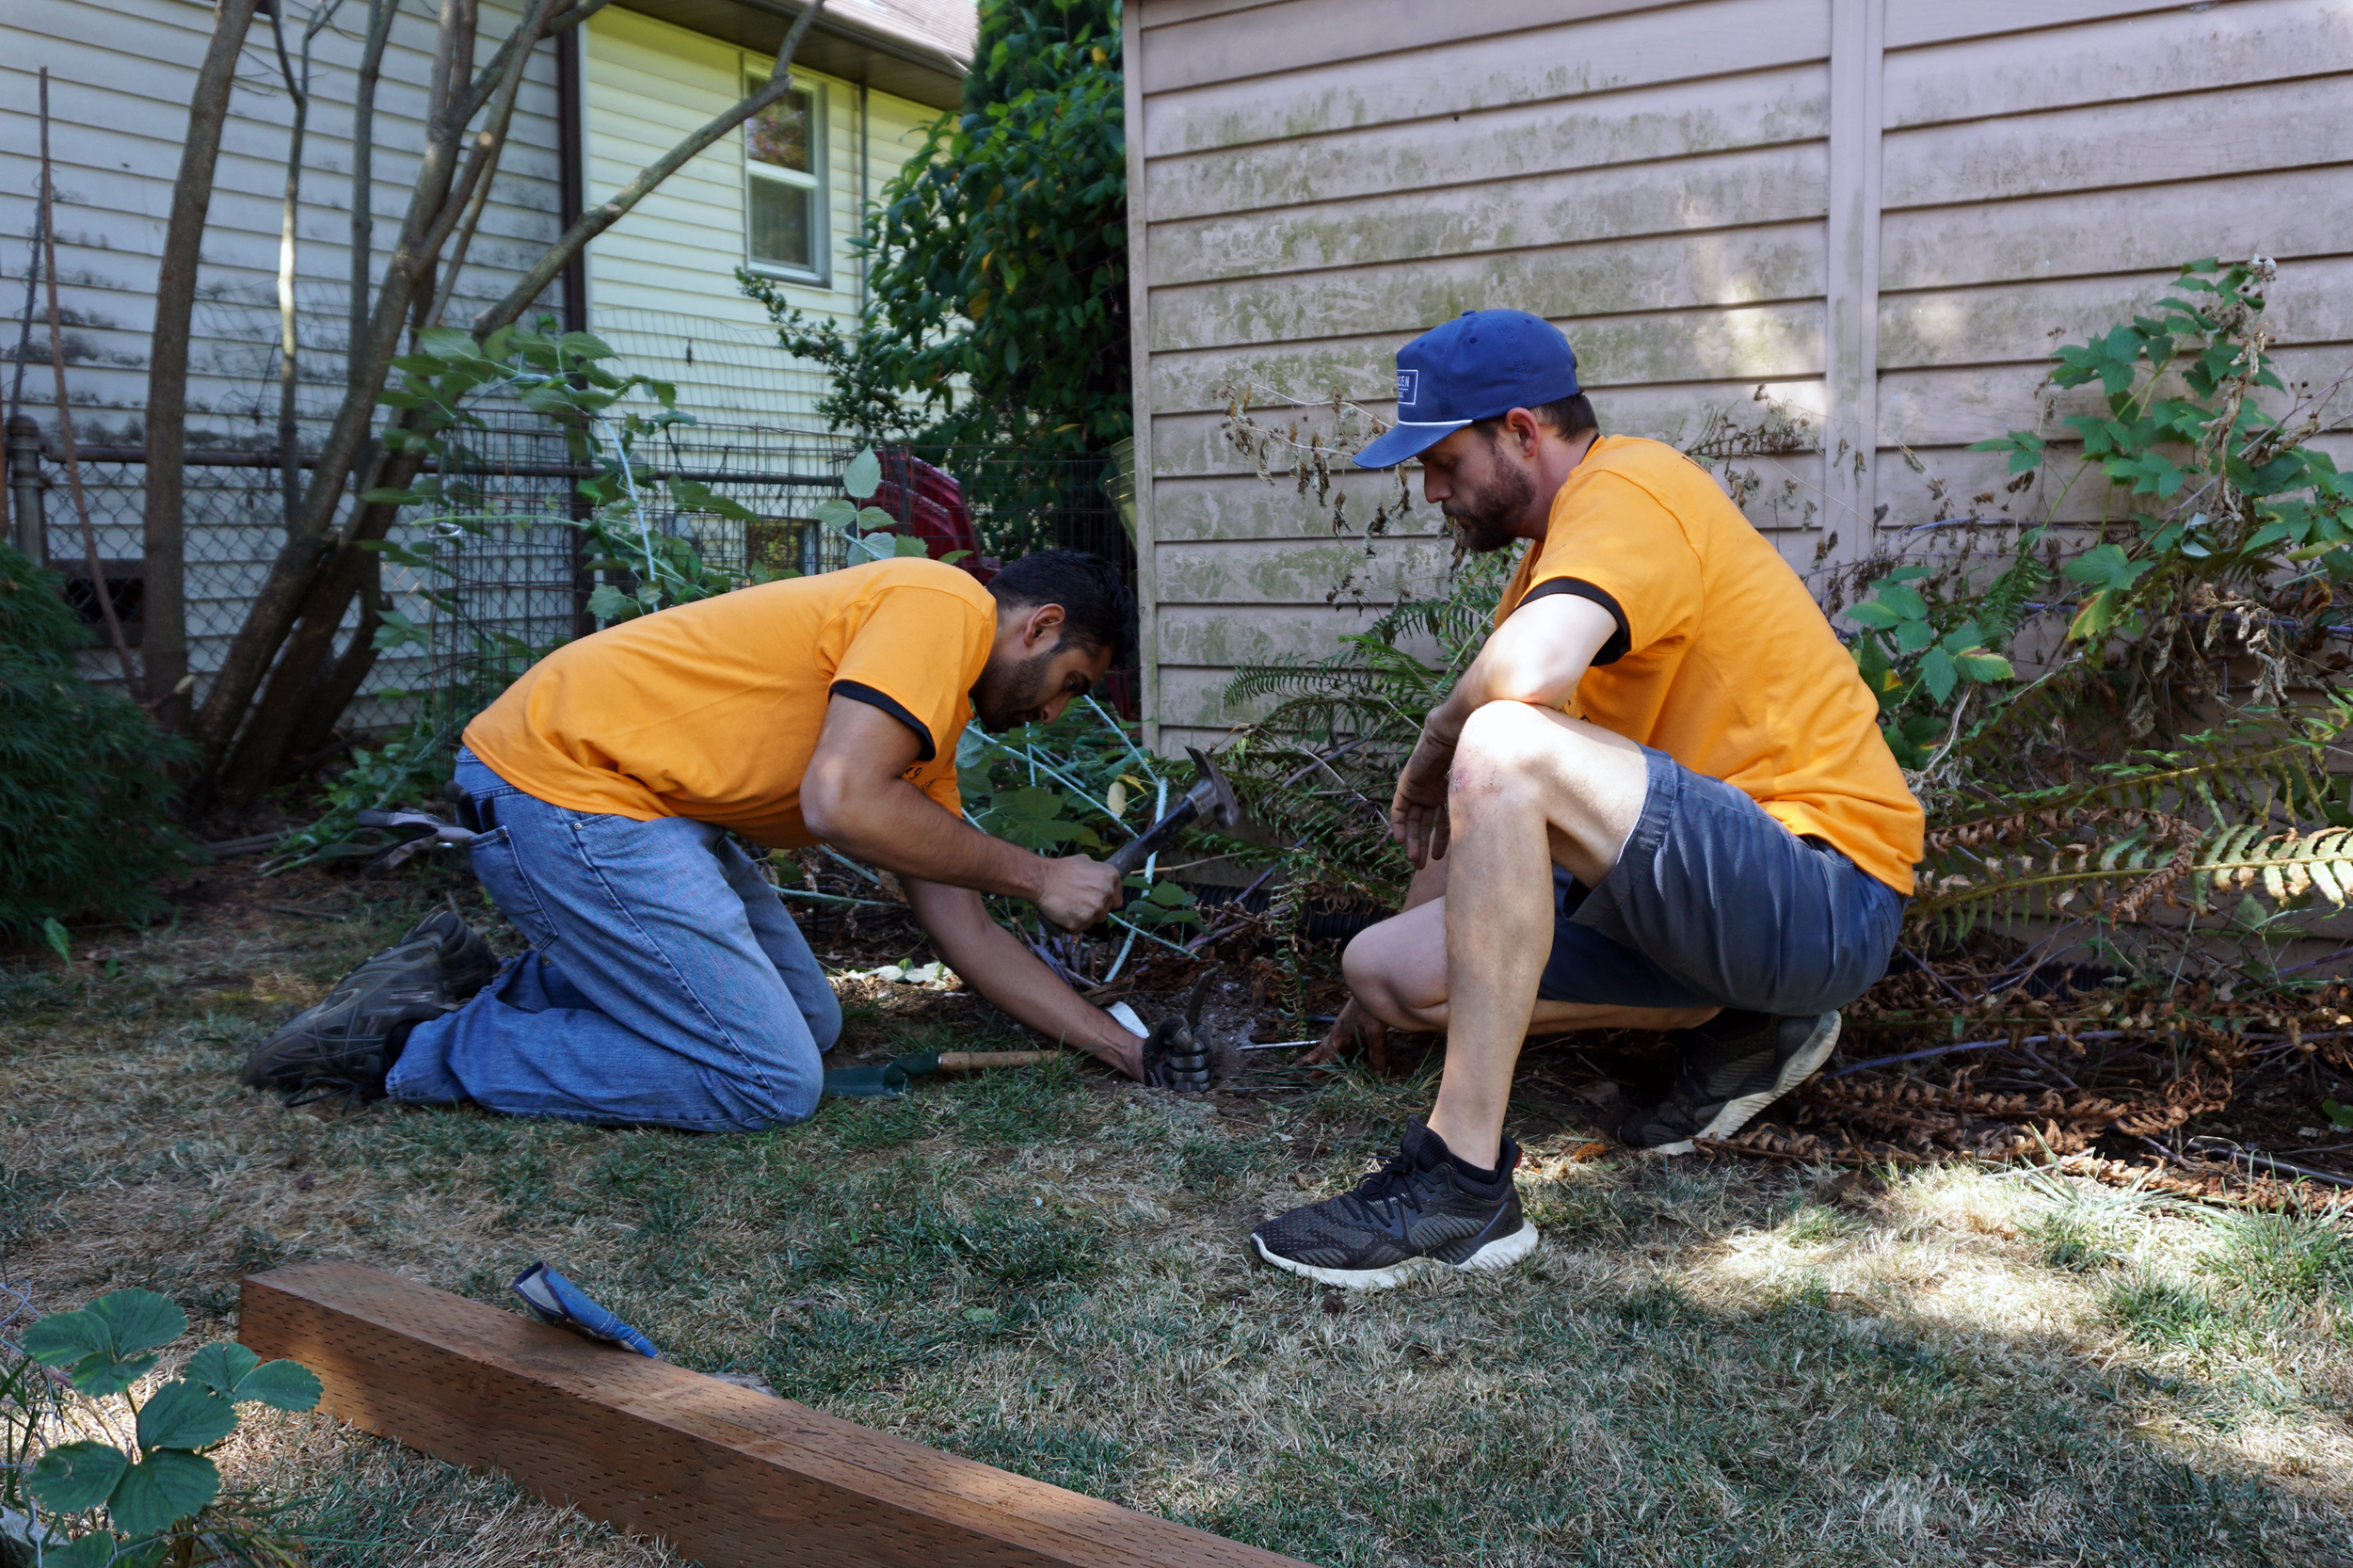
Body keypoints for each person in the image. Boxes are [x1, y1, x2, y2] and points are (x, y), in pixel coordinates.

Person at [1249, 311, 1923, 1289]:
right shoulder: (1551, 559)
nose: (1430, 489)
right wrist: (1380, 1000)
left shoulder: (1631, 488)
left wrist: (1440, 739)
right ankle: (1746, 1018)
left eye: (1441, 460)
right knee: (1383, 967)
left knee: (1499, 734)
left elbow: (1509, 703)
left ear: (1521, 431)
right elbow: (1479, 809)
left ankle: (1460, 1187)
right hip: (1700, 909)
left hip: (1822, 891)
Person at [240, 550, 1149, 1128]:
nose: (1055, 712)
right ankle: (404, 1044)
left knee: (812, 1023)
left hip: (643, 812)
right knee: (767, 1080)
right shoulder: (939, 602)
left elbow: (969, 933)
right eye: (1069, 681)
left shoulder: (923, 740)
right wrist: (1036, 874)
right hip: (567, 788)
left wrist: (1125, 1052)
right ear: (1040, 625)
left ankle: (489, 978)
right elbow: (839, 803)